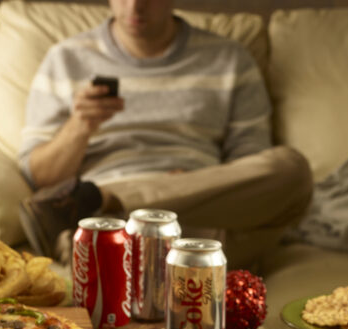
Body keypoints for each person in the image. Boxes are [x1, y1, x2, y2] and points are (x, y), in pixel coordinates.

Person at [17, 0, 313, 268]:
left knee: (293, 169)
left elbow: (252, 170)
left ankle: (107, 203)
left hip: (203, 214)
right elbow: (40, 178)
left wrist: (187, 187)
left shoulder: (230, 60)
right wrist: (78, 127)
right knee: (103, 233)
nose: (135, 7)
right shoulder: (65, 59)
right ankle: (112, 228)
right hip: (112, 227)